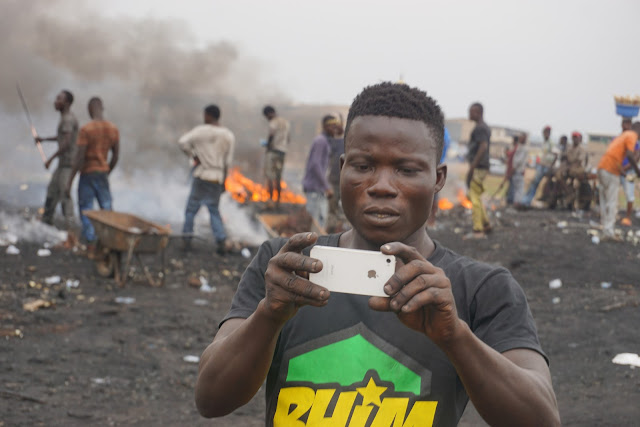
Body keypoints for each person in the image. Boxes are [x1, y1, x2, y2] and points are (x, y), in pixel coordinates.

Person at [194, 82, 560, 426]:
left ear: (438, 178)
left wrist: (455, 337)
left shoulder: (480, 287)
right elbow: (211, 399)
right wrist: (269, 316)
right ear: (341, 169)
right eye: (363, 166)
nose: (382, 186)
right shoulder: (286, 266)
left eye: (406, 169)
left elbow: (541, 417)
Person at [178, 104, 235, 255]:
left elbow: (182, 142)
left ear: (209, 115)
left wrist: (194, 156)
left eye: (205, 115)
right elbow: (227, 163)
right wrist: (224, 182)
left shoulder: (200, 131)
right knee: (214, 210)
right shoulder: (228, 135)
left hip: (201, 175)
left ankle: (186, 240)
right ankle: (221, 241)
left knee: (191, 210)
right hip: (216, 178)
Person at [66, 97, 119, 245]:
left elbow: (80, 158)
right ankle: (110, 239)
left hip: (87, 174)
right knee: (106, 208)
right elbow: (115, 156)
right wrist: (107, 171)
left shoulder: (86, 129)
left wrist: (70, 181)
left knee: (86, 209)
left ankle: (91, 241)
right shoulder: (113, 129)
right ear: (102, 108)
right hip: (102, 173)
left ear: (90, 110)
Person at [35, 90, 78, 227]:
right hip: (63, 165)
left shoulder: (67, 119)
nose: (55, 101)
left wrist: (50, 159)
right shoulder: (66, 118)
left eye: (59, 99)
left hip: (68, 165)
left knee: (65, 194)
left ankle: (71, 229)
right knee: (52, 192)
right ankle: (46, 223)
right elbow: (62, 137)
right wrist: (44, 139)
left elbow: (66, 143)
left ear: (67, 103)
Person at [598, 122, 640, 240]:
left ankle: (605, 227)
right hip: (611, 170)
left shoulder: (622, 136)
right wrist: (638, 172)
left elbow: (614, 155)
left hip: (603, 166)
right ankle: (608, 232)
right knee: (612, 201)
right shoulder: (632, 135)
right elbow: (630, 155)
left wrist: (622, 171)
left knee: (604, 200)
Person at [301, 115, 337, 229]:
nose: (335, 129)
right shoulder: (320, 141)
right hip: (314, 190)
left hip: (318, 190)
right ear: (325, 126)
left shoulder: (324, 141)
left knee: (320, 223)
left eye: (336, 126)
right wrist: (326, 187)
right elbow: (315, 165)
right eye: (333, 126)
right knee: (315, 225)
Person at [466, 102, 492, 238]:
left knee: (474, 197)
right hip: (482, 166)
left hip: (478, 167)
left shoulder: (480, 128)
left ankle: (478, 230)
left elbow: (483, 147)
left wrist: (472, 167)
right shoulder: (483, 127)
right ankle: (486, 224)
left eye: (471, 112)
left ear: (478, 112)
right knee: (476, 195)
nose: (469, 114)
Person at [262, 106, 291, 208]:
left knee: (270, 177)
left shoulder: (273, 122)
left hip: (273, 152)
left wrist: (267, 146)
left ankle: (270, 201)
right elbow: (288, 138)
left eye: (267, 116)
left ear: (269, 113)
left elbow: (271, 135)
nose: (267, 118)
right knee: (278, 178)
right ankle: (278, 201)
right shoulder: (286, 123)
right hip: (282, 152)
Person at [522, 126, 557, 206]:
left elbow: (555, 154)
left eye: (547, 132)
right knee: (534, 183)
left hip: (545, 166)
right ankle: (526, 201)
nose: (546, 134)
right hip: (541, 165)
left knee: (535, 183)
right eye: (545, 132)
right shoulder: (545, 143)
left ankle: (526, 201)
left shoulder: (550, 143)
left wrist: (551, 165)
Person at [426, 126, 450, 227]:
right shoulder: (445, 132)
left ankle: (431, 220)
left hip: (433, 165)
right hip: (434, 164)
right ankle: (431, 220)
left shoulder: (438, 131)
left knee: (432, 194)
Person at [326, 117, 346, 233]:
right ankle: (331, 231)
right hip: (333, 181)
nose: (336, 129)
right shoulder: (330, 142)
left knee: (344, 210)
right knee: (332, 209)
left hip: (343, 182)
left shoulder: (347, 142)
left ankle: (340, 231)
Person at [619, 118, 637, 226]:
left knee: (630, 194)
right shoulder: (618, 138)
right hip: (617, 170)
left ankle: (628, 217)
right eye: (625, 123)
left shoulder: (635, 140)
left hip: (629, 171)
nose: (627, 126)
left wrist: (624, 169)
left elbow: (636, 156)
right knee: (610, 192)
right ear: (622, 125)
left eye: (629, 124)